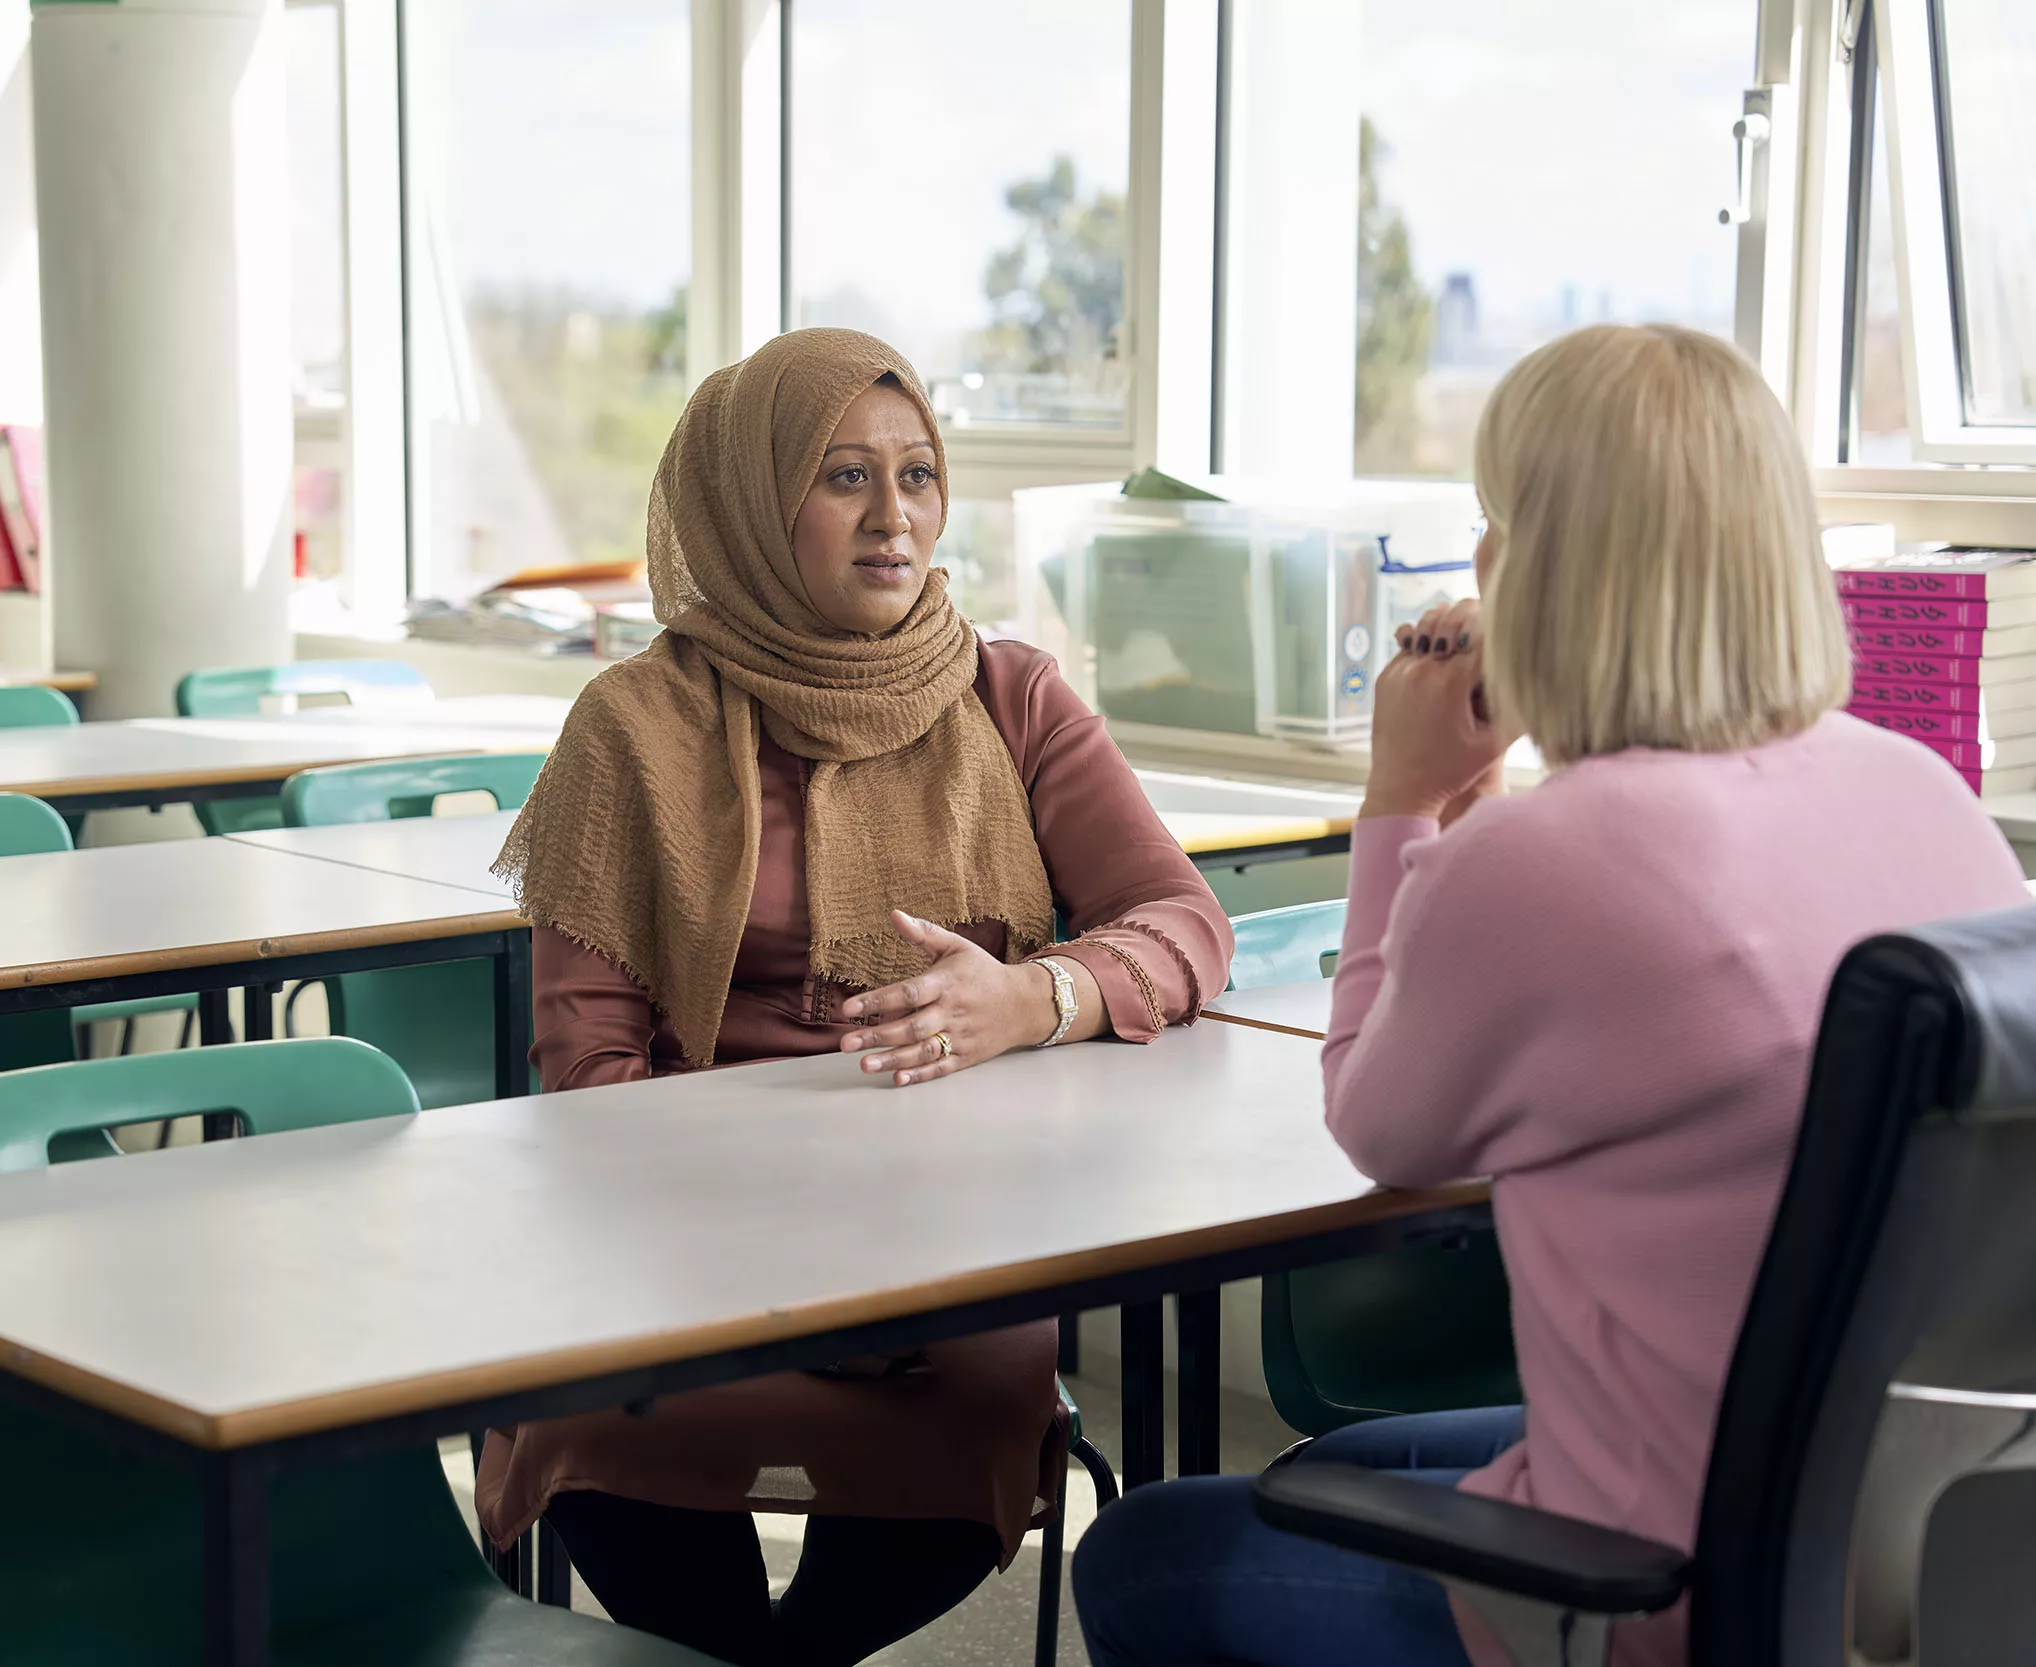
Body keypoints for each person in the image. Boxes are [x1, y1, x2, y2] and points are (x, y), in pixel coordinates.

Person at [1070, 324, 2030, 1667]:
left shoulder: (1547, 855)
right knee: (1357, 1454)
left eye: (1495, 519)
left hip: (1659, 1586)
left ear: (1539, 566)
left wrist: (1403, 802)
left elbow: (1378, 1123)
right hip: (1902, 1532)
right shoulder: (1918, 789)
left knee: (1144, 1552)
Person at [483, 327, 1235, 1667]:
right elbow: (586, 1078)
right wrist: (781, 1246)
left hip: (948, 1230)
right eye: (842, 479)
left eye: (918, 476)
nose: (895, 521)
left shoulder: (1013, 696)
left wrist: (1035, 997)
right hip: (690, 1231)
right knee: (602, 1409)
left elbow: (1182, 922)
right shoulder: (631, 726)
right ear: (751, 502)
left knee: (987, 1386)